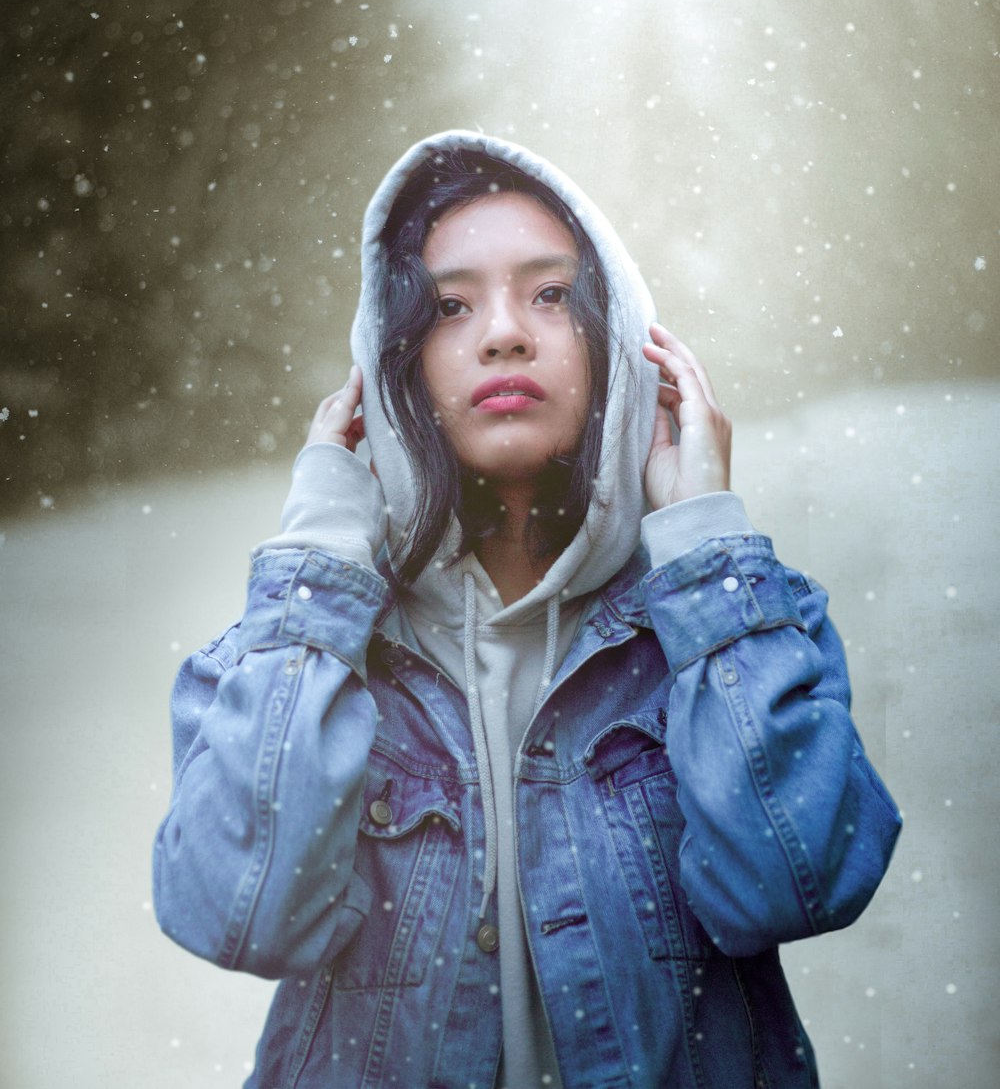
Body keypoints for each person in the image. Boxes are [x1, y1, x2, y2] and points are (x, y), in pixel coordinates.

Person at [153, 130, 901, 1089]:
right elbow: (237, 913)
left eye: (550, 294)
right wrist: (319, 554)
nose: (504, 332)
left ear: (621, 344)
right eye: (450, 305)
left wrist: (707, 547)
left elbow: (799, 884)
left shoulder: (729, 618)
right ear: (398, 366)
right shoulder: (320, 648)